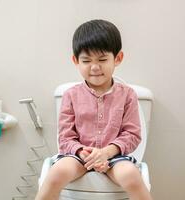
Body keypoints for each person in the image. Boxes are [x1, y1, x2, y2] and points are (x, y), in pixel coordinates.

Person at [35, 19, 153, 200]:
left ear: (118, 58)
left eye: (103, 59)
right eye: (86, 60)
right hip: (79, 156)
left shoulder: (127, 95)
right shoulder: (70, 95)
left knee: (131, 177)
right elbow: (66, 137)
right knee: (56, 173)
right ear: (76, 61)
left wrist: (106, 153)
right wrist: (84, 152)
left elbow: (132, 134)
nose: (95, 67)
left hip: (114, 157)